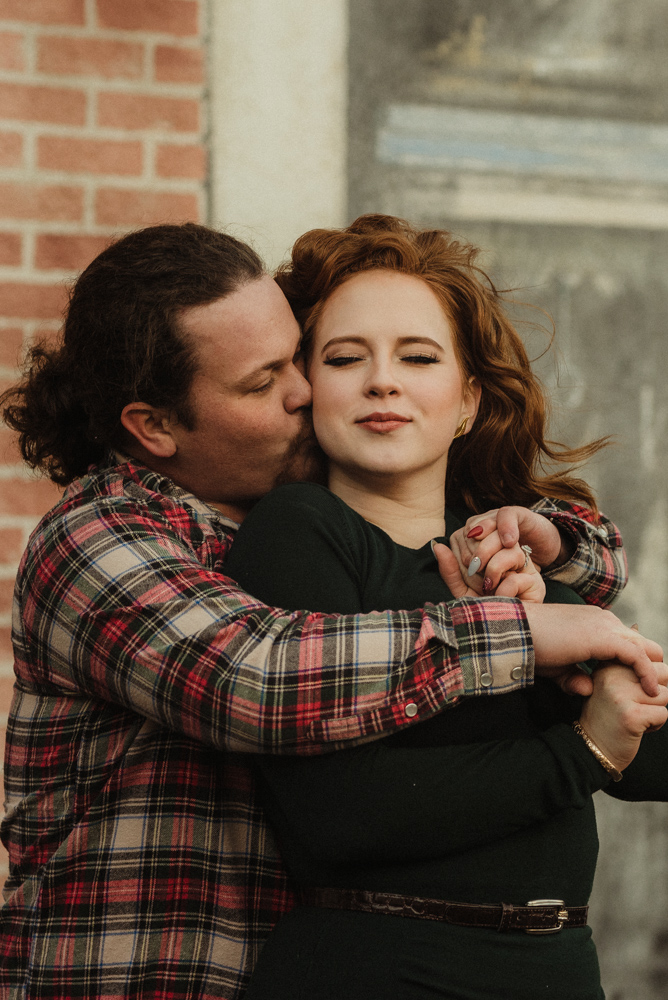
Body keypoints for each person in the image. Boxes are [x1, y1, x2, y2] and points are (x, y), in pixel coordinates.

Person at [0, 223, 659, 1000]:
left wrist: (558, 549)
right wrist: (525, 639)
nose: (305, 391)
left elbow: (553, 561)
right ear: (155, 427)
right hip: (145, 976)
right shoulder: (101, 537)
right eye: (264, 381)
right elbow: (259, 678)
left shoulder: (331, 515)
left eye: (297, 359)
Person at [220, 215, 668, 1000]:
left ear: (466, 400)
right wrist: (581, 753)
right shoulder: (298, 534)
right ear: (308, 392)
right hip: (384, 969)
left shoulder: (514, 565)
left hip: (558, 971)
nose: (381, 381)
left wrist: (588, 680)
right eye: (344, 357)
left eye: (417, 356)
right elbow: (343, 815)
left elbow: (652, 760)